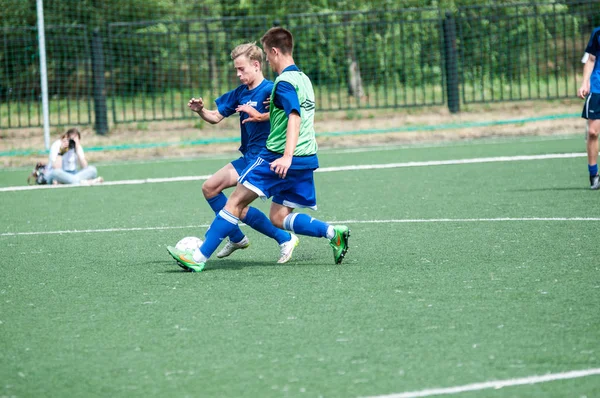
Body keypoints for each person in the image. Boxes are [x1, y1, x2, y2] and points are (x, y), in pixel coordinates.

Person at [167, 27, 350, 272]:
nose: (267, 59)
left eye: (267, 54)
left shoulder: (280, 84)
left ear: (272, 53)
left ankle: (198, 257)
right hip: (305, 158)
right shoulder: (303, 79)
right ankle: (332, 233)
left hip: (276, 158)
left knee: (235, 204)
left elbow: (293, 116)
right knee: (278, 217)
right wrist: (260, 115)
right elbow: (289, 114)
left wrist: (285, 155)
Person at [187, 42, 299, 264]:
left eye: (242, 69)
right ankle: (237, 237)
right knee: (210, 188)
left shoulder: (272, 89)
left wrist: (260, 114)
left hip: (264, 158)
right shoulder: (239, 93)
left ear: (256, 65)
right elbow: (215, 117)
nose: (238, 74)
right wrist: (201, 111)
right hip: (248, 157)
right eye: (236, 70)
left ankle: (284, 238)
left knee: (236, 206)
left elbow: (289, 115)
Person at [577, 27, 600, 190]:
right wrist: (585, 82)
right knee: (592, 132)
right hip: (598, 88)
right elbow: (591, 59)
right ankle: (594, 175)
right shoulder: (597, 33)